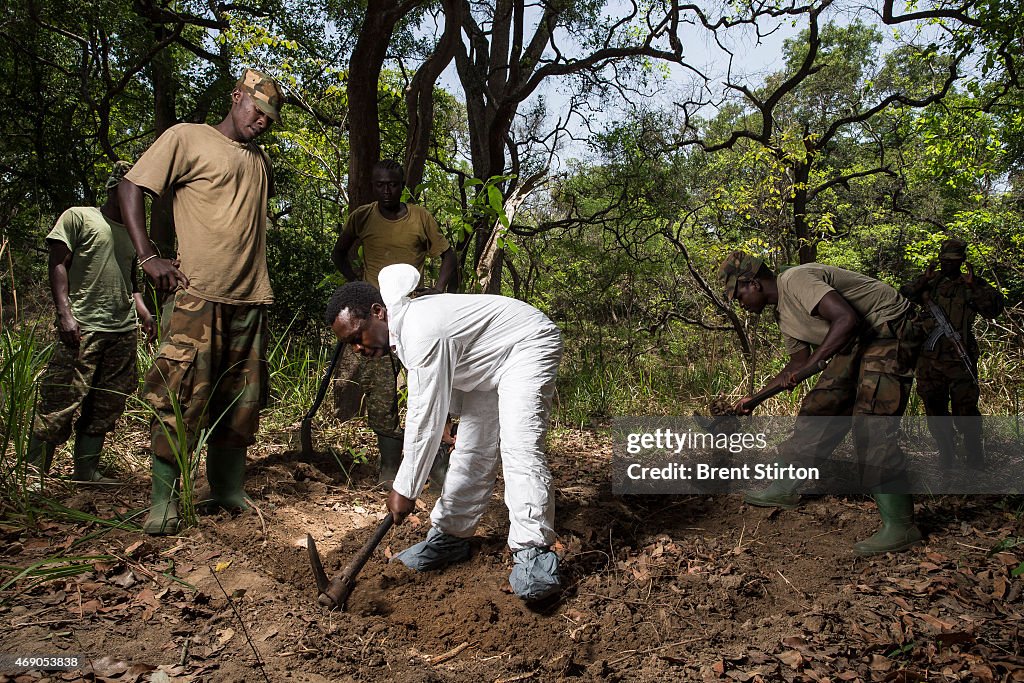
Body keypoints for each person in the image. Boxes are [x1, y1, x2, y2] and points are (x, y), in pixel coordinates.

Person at [325, 263, 563, 601]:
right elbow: (442, 379)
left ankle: (534, 552)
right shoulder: (407, 331)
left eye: (357, 337)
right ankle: (451, 537)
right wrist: (450, 418)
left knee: (519, 446)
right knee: (471, 450)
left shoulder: (420, 328)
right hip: (487, 363)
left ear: (378, 312)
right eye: (349, 344)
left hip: (527, 344)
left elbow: (423, 417)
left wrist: (405, 489)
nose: (358, 349)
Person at [117, 68, 285, 535]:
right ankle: (164, 501)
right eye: (257, 111)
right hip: (196, 297)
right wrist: (149, 256)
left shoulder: (259, 160)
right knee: (181, 397)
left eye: (270, 117)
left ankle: (227, 488)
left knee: (243, 400)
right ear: (237, 98)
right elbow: (131, 186)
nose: (262, 122)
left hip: (250, 298)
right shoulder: (187, 138)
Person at [719, 252, 924, 556]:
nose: (740, 302)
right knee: (820, 407)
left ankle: (902, 525)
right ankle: (784, 487)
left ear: (754, 283)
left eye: (738, 294)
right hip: (854, 339)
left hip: (888, 327)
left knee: (871, 423)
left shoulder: (795, 279)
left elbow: (846, 318)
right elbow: (796, 366)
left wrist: (812, 366)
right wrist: (756, 398)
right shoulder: (783, 315)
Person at [27, 162, 156, 485]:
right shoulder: (79, 217)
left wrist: (144, 313)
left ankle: (86, 472)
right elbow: (58, 262)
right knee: (60, 401)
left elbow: (131, 281)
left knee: (106, 405)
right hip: (84, 326)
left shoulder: (133, 232)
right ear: (115, 189)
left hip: (122, 330)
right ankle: (32, 475)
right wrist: (65, 313)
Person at [330, 160, 456, 486]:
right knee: (381, 393)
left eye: (393, 185)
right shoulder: (363, 216)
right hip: (374, 318)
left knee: (426, 387)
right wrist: (356, 283)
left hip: (412, 314)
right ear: (373, 186)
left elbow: (447, 254)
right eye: (380, 185)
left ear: (402, 186)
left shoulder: (419, 218)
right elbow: (339, 253)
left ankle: (438, 466)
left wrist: (439, 289)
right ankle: (390, 467)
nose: (387, 191)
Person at [899, 238, 1004, 468]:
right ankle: (946, 453)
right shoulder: (931, 283)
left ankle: (975, 456)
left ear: (962, 262)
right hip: (929, 361)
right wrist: (923, 280)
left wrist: (974, 285)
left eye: (953, 262)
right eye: (944, 261)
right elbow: (904, 294)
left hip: (960, 359)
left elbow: (994, 309)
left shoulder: (971, 285)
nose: (948, 265)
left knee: (965, 411)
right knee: (934, 411)